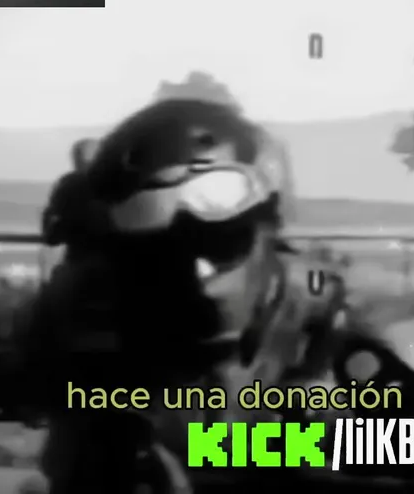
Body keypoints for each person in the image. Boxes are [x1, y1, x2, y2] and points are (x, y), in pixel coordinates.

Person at [20, 98, 297, 493]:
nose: (198, 271)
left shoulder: (316, 319)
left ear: (267, 232)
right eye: (163, 254)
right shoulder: (99, 321)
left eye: (222, 243)